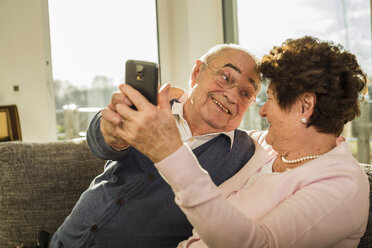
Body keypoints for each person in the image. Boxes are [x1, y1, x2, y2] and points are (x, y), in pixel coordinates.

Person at [113, 36, 370, 247]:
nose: (262, 111)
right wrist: (181, 107)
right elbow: (204, 132)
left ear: (305, 106)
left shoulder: (342, 183)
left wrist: (169, 151)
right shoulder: (262, 147)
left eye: (271, 99)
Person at [50, 44, 261, 248]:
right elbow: (98, 141)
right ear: (197, 72)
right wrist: (110, 131)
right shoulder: (154, 106)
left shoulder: (246, 154)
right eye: (225, 78)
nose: (232, 96)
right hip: (63, 240)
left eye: (246, 93)